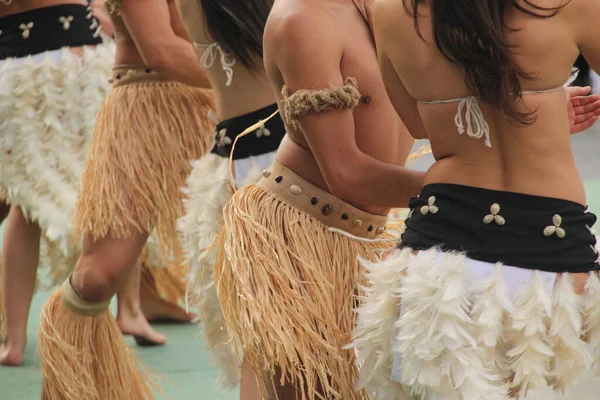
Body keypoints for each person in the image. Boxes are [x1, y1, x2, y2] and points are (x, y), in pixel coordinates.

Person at [351, 0, 600, 398]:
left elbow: (419, 123)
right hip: (551, 253)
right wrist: (541, 104)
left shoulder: (390, 11)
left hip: (440, 260)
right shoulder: (567, 6)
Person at [213, 0, 426, 398]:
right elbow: (345, 173)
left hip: (371, 239)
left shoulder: (393, 9)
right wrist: (464, 191)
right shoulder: (303, 20)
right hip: (300, 244)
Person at [36, 0, 213, 397]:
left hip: (228, 110)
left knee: (258, 276)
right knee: (98, 275)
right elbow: (161, 49)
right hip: (146, 110)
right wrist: (263, 80)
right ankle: (66, 388)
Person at [174, 0, 286, 391]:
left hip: (262, 159)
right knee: (267, 331)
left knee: (272, 330)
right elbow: (159, 49)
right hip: (265, 167)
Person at [0, 0, 114, 366]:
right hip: (25, 66)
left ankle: (78, 328)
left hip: (85, 63)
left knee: (86, 192)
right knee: (28, 198)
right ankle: (21, 337)